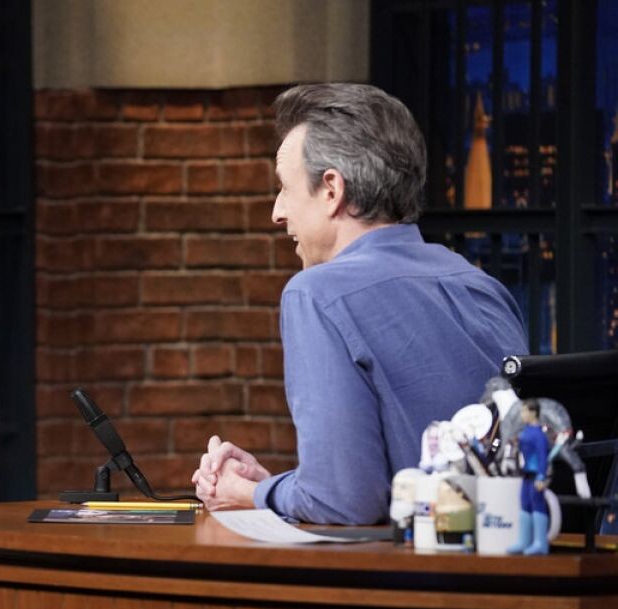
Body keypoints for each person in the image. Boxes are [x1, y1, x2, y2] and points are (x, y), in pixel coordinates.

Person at [192, 83, 528, 525]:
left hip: (412, 564)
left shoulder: (315, 293)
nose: (277, 212)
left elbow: (344, 502)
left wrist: (248, 492)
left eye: (285, 189)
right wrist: (285, 487)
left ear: (331, 189)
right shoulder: (483, 286)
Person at [508, 398, 551, 554]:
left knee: (537, 504)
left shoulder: (539, 435)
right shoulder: (525, 432)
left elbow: (542, 456)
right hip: (526, 474)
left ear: (533, 412)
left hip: (535, 474)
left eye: (524, 411)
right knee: (525, 503)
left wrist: (541, 476)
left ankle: (540, 543)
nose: (522, 414)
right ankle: (524, 541)